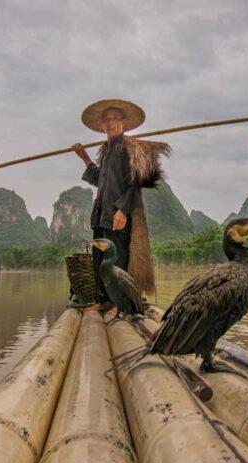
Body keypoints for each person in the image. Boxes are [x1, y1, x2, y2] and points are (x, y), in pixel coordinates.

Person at [71, 98, 171, 312]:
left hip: (116, 212)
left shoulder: (127, 148)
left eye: (114, 118)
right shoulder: (106, 151)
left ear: (123, 122)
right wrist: (85, 158)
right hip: (101, 213)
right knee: (100, 258)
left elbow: (134, 182)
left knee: (118, 258)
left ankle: (120, 302)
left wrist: (123, 210)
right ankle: (104, 300)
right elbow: (101, 179)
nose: (110, 123)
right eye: (106, 119)